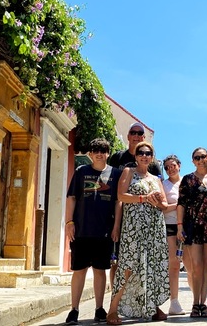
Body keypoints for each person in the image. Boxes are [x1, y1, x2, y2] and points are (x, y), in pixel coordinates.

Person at [106, 142, 170, 325]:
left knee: (153, 266)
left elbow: (164, 205)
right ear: (135, 156)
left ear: (151, 157)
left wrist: (157, 201)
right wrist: (143, 198)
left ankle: (154, 306)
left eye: (148, 153)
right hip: (133, 229)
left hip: (154, 229)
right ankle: (113, 309)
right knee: (128, 266)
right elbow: (121, 197)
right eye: (140, 152)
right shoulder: (129, 173)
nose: (144, 155)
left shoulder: (156, 179)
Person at [64, 138, 122, 325]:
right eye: (96, 150)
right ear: (90, 154)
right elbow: (72, 198)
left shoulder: (116, 174)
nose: (99, 154)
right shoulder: (82, 172)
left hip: (104, 231)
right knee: (79, 270)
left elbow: (117, 203)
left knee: (100, 270)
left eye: (103, 150)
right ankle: (74, 310)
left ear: (108, 153)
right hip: (81, 229)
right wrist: (69, 222)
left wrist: (115, 227)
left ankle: (99, 308)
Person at [176, 147, 207, 318]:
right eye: (197, 157)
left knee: (206, 263)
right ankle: (195, 303)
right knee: (196, 265)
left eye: (203, 156)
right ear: (193, 161)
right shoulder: (188, 180)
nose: (201, 160)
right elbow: (181, 204)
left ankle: (203, 302)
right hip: (193, 226)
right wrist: (180, 226)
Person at [161, 154, 185, 315]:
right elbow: (161, 207)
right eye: (167, 167)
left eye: (173, 165)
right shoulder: (162, 184)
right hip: (169, 226)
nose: (170, 169)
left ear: (179, 165)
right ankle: (174, 302)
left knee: (193, 265)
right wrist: (179, 205)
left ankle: (201, 301)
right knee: (174, 264)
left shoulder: (188, 181)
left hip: (187, 227)